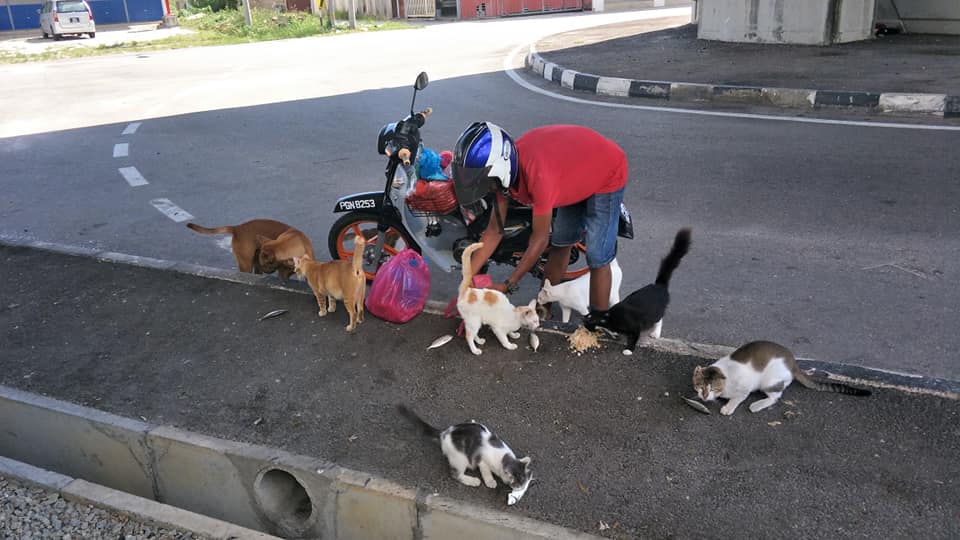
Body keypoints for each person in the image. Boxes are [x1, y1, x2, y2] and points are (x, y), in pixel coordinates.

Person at [450, 122, 627, 316]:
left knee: (597, 257)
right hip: (572, 175)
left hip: (606, 172)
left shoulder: (538, 176)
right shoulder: (504, 175)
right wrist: (466, 281)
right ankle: (544, 309)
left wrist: (508, 284)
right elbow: (494, 231)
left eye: (484, 182)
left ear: (498, 170)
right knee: (561, 243)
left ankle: (598, 324)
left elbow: (539, 240)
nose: (484, 188)